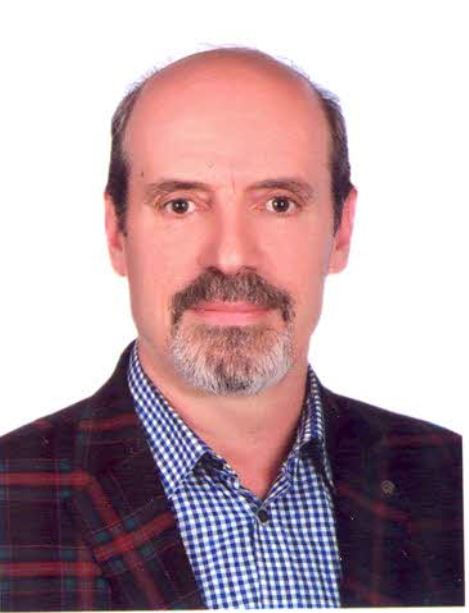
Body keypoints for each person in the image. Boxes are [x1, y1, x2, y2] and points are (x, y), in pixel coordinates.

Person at [0, 48, 463, 610]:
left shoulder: (449, 477)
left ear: (341, 231)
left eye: (278, 203)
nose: (230, 256)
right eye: (180, 205)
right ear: (117, 233)